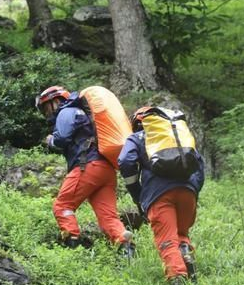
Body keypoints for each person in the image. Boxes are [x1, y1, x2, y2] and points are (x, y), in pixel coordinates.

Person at [36, 85, 133, 251]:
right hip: (106, 171)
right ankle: (125, 246)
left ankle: (72, 244)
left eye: (46, 107)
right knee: (108, 216)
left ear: (56, 101)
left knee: (62, 206)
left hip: (88, 166)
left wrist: (51, 140)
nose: (47, 113)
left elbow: (62, 138)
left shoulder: (66, 111)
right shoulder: (84, 114)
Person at [119, 107, 205, 284]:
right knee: (181, 234)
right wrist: (193, 190)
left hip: (159, 195)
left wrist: (138, 193)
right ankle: (186, 258)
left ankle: (177, 277)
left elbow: (126, 161)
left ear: (138, 123)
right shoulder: (179, 138)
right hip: (188, 192)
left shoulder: (138, 137)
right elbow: (199, 164)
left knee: (166, 239)